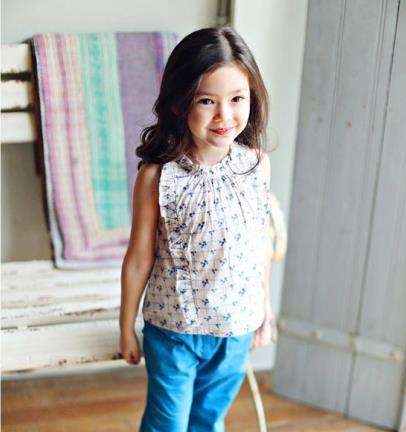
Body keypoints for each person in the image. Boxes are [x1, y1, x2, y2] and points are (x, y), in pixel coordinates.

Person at [119, 25, 277, 432]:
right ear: (179, 102)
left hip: (235, 330)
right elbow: (138, 258)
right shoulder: (158, 177)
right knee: (167, 425)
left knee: (208, 421)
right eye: (207, 101)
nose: (224, 116)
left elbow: (258, 245)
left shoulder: (256, 165)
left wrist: (265, 308)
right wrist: (126, 326)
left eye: (237, 99)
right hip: (174, 331)